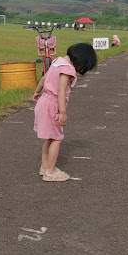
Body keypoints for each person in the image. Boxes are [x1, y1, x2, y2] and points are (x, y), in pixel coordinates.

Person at [33, 42, 97, 182]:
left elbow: (44, 78)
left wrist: (37, 92)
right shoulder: (68, 69)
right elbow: (61, 90)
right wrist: (62, 112)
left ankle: (44, 167)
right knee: (57, 138)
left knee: (49, 138)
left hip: (44, 101)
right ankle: (50, 171)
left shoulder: (57, 61)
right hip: (53, 105)